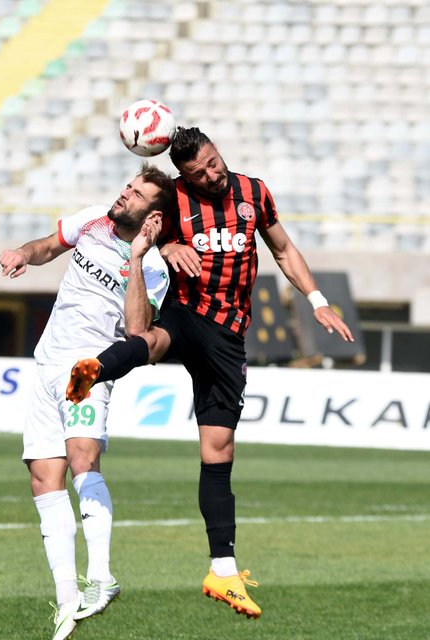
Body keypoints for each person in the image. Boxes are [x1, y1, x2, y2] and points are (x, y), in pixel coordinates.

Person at [66, 127, 355, 620]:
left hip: (229, 334)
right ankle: (93, 369)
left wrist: (317, 301)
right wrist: (164, 248)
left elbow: (283, 250)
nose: (212, 175)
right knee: (154, 340)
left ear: (219, 153)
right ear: (185, 175)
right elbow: (135, 229)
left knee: (218, 451)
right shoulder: (174, 198)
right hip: (188, 311)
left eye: (214, 163)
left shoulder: (254, 193)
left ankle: (222, 572)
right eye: (199, 173)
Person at [0, 163, 176, 640]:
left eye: (137, 194)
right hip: (47, 363)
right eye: (128, 186)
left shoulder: (153, 268)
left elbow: (137, 332)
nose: (125, 194)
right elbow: (48, 245)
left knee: (82, 458)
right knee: (43, 478)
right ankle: (67, 601)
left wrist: (136, 257)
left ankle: (101, 577)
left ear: (154, 217)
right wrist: (22, 253)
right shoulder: (93, 219)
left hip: (87, 368)